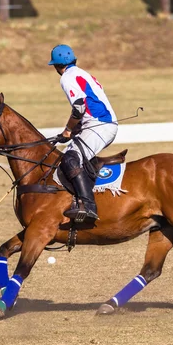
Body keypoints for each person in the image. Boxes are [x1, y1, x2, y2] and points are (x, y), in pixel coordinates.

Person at [49, 44, 118, 222]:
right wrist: (75, 129)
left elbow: (79, 107)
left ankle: (88, 205)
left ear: (56, 66)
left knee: (70, 159)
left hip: (100, 125)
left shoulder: (67, 77)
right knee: (67, 158)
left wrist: (68, 130)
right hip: (97, 123)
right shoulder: (81, 73)